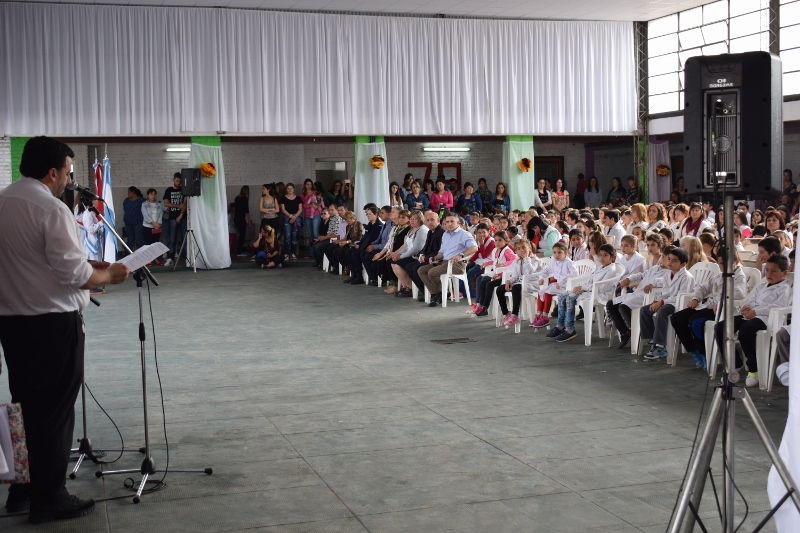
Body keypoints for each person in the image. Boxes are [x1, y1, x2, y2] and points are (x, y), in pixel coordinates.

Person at [0, 136, 130, 522]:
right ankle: (50, 497)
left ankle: (22, 490)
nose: (70, 181)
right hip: (52, 325)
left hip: (13, 325)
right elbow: (74, 274)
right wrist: (111, 273)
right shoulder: (50, 209)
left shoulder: (4, 201)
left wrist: (83, 261)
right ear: (53, 172)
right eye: (69, 173)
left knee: (25, 408)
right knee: (54, 413)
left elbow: (29, 259)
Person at [715, 255, 792, 387]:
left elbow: (777, 307)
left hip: (767, 320)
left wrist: (756, 311)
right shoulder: (762, 285)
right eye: (767, 270)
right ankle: (734, 363)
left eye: (774, 271)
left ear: (784, 273)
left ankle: (753, 369)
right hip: (750, 316)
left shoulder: (784, 289)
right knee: (721, 327)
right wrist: (746, 308)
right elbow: (751, 299)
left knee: (746, 331)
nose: (769, 273)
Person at [671, 245, 747, 369]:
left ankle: (705, 353)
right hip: (711, 307)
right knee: (677, 318)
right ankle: (694, 350)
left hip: (726, 310)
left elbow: (739, 293)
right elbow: (702, 287)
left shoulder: (739, 277)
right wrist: (696, 298)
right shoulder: (720, 275)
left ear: (735, 261)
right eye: (720, 263)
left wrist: (721, 302)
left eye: (725, 263)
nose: (722, 266)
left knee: (695, 322)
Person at [550, 244, 618, 342]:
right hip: (589, 291)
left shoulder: (611, 270)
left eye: (605, 255)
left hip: (598, 295)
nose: (601, 258)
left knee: (570, 298)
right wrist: (581, 287)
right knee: (561, 297)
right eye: (600, 255)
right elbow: (591, 279)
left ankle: (570, 329)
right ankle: (560, 325)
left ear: (612, 257)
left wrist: (583, 288)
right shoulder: (601, 267)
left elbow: (602, 287)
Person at [641, 247, 694, 360]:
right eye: (669, 259)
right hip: (668, 302)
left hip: (680, 304)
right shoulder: (668, 274)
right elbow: (666, 292)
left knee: (662, 311)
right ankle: (652, 340)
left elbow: (680, 296)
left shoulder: (686, 277)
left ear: (683, 264)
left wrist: (661, 302)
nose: (670, 262)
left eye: (674, 260)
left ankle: (660, 347)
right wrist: (657, 301)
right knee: (645, 310)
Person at [417, 213, 478, 307]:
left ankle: (441, 294)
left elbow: (474, 248)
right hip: (444, 262)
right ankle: (436, 294)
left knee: (432, 272)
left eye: (452, 221)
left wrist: (460, 255)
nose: (449, 224)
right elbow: (441, 253)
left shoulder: (464, 234)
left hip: (457, 264)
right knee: (421, 270)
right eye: (447, 222)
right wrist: (434, 258)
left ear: (458, 222)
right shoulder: (445, 234)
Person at [468, 231, 516, 317]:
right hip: (496, 273)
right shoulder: (496, 250)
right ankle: (479, 304)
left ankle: (485, 308)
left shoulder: (507, 251)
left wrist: (503, 264)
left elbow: (514, 260)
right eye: (496, 240)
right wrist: (487, 263)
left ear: (505, 241)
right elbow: (495, 261)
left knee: (489, 284)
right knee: (480, 279)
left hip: (506, 276)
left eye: (500, 240)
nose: (497, 243)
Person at [495, 239, 541, 326]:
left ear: (529, 248)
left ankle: (515, 314)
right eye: (518, 249)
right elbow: (515, 276)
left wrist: (527, 258)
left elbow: (530, 272)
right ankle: (506, 313)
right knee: (500, 289)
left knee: (516, 287)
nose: (522, 250)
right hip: (520, 284)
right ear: (516, 251)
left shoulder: (535, 260)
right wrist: (509, 281)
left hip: (532, 284)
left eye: (524, 247)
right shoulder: (517, 261)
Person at [531, 242, 576, 328]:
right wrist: (541, 278)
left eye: (559, 252)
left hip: (567, 286)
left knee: (548, 291)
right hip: (557, 285)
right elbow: (545, 270)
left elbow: (574, 274)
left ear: (565, 253)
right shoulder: (553, 261)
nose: (556, 255)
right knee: (541, 291)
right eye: (554, 252)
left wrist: (561, 281)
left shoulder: (569, 263)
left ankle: (545, 316)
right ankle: (539, 314)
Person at [407, 210, 445, 300]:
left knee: (415, 268)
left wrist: (426, 258)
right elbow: (425, 247)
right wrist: (422, 255)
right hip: (428, 257)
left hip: (437, 259)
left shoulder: (441, 232)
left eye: (432, 220)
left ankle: (430, 292)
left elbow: (439, 251)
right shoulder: (430, 232)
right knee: (409, 266)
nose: (430, 222)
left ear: (438, 220)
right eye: (427, 220)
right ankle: (425, 291)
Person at [162, 173, 186, 266]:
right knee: (172, 239)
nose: (178, 182)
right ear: (173, 180)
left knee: (185, 238)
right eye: (177, 180)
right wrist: (177, 205)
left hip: (183, 217)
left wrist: (180, 215)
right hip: (172, 218)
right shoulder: (169, 190)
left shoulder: (184, 190)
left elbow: (185, 204)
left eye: (180, 181)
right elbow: (166, 203)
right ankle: (170, 257)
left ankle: (185, 257)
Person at [280, 183, 302, 260]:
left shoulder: (298, 198)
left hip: (296, 218)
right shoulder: (283, 198)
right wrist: (290, 216)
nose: (289, 190)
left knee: (294, 236)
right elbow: (283, 209)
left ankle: (293, 253)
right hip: (287, 217)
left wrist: (295, 216)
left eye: (291, 188)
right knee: (287, 236)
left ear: (294, 189)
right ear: (286, 189)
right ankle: (286, 253)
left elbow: (300, 209)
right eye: (288, 188)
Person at [300, 179, 324, 251]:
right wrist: (310, 205)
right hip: (307, 215)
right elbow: (303, 206)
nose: (309, 186)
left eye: (310, 184)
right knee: (310, 234)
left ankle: (318, 250)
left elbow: (320, 203)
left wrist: (316, 205)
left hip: (316, 214)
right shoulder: (302, 195)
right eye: (307, 184)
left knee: (315, 232)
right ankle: (311, 252)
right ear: (304, 185)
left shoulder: (316, 192)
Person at [122, 186, 144, 251]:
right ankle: (129, 253)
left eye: (129, 192)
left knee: (139, 239)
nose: (128, 193)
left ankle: (141, 254)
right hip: (128, 223)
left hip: (138, 223)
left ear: (133, 193)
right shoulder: (126, 200)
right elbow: (125, 210)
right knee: (130, 239)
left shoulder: (141, 200)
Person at [233, 185, 251, 256]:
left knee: (238, 235)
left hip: (236, 218)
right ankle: (239, 252)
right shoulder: (245, 199)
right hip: (242, 219)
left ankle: (237, 250)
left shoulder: (237, 197)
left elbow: (235, 209)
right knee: (242, 236)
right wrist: (248, 221)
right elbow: (246, 211)